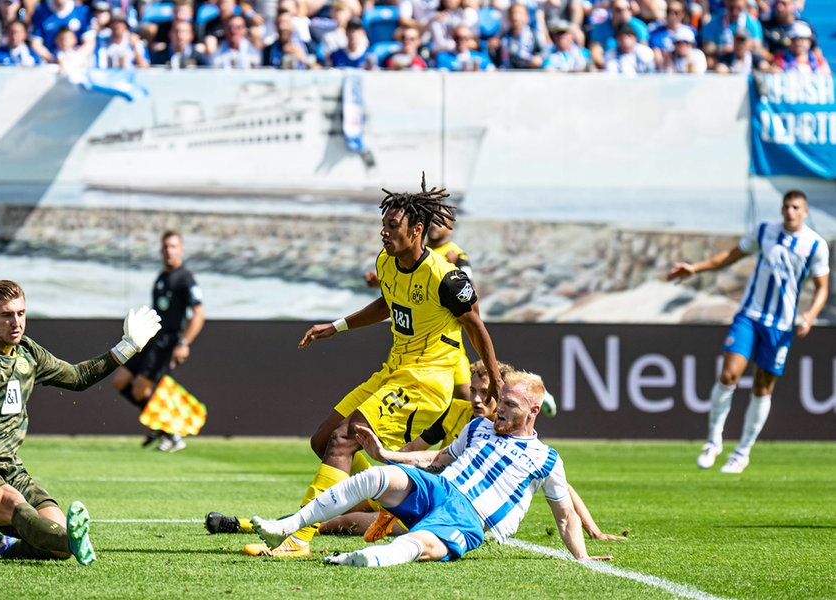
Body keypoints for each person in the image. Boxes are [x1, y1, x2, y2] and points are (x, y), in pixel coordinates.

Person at [239, 173, 503, 558]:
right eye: (383, 224)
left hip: (425, 382)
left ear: (416, 230)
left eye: (391, 226)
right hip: (394, 369)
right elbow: (388, 302)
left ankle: (298, 539)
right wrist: (337, 325)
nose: (383, 232)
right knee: (322, 440)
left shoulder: (445, 277)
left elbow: (475, 325)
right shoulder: (388, 262)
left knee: (344, 439)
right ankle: (384, 494)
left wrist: (495, 377)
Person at [250, 370, 614, 566]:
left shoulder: (546, 457)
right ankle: (286, 528)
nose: (500, 409)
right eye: (500, 401)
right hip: (438, 489)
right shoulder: (478, 427)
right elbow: (436, 460)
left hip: (472, 516)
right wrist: (386, 454)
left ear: (533, 411)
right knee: (375, 477)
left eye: (512, 406)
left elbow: (564, 515)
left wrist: (582, 556)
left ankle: (362, 560)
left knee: (418, 544)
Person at [0, 279, 162, 565]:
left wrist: (128, 347)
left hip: (9, 467)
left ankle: (4, 548)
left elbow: (77, 377)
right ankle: (74, 544)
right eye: (6, 315)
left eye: (21, 313)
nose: (16, 322)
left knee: (56, 540)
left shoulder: (29, 352)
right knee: (14, 504)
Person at [666, 190, 829, 474]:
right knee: (728, 375)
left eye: (796, 207)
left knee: (762, 388)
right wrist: (695, 268)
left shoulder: (815, 245)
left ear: (804, 211)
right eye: (786, 206)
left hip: (781, 326)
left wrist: (810, 316)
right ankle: (713, 441)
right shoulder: (765, 231)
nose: (790, 211)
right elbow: (731, 256)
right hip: (749, 316)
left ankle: (742, 451)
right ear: (782, 209)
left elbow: (822, 288)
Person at [112, 231, 205, 453]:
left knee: (139, 390)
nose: (169, 251)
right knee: (120, 380)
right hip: (152, 340)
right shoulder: (162, 277)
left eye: (173, 246)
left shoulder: (186, 279)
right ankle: (162, 428)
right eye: (165, 247)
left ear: (181, 250)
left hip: (168, 344)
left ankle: (171, 433)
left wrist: (184, 343)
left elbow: (199, 314)